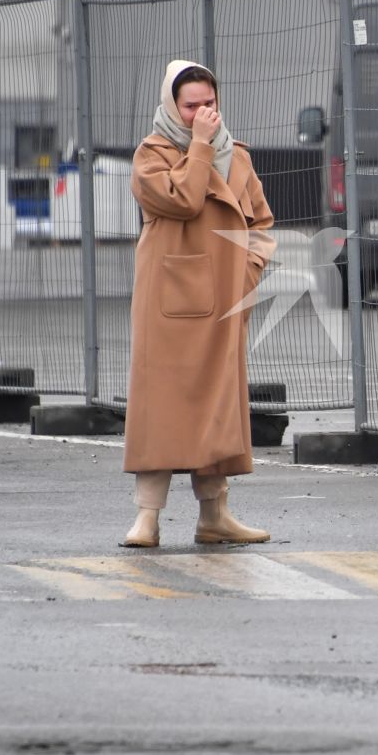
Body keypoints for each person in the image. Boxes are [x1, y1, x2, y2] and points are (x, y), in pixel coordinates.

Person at [121, 60, 277, 548]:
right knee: (160, 405)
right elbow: (185, 200)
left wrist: (245, 276)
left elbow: (261, 225)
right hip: (168, 301)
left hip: (223, 302)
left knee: (217, 405)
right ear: (172, 105)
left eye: (210, 104)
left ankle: (216, 514)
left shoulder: (239, 157)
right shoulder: (151, 156)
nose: (203, 114)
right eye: (191, 106)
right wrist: (203, 146)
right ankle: (147, 518)